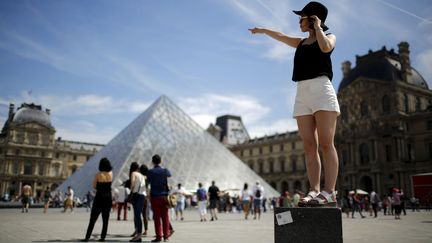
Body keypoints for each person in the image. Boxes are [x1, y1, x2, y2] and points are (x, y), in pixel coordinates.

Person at [249, 1, 339, 207]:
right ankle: (315, 190)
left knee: (326, 143)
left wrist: (318, 29)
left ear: (314, 19)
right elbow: (281, 36)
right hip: (302, 93)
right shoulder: (300, 43)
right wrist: (263, 30)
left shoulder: (329, 37)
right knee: (309, 145)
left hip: (322, 89)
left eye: (302, 18)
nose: (299, 21)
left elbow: (325, 48)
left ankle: (329, 191)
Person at [82, 158, 113, 242]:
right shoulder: (111, 174)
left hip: (99, 197)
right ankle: (103, 237)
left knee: (93, 218)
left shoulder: (98, 175)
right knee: (105, 219)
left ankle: (87, 237)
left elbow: (94, 186)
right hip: (108, 198)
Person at [147, 155, 172, 242]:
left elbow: (148, 181)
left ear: (153, 162)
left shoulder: (150, 171)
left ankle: (158, 237)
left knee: (157, 218)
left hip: (154, 196)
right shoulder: (164, 170)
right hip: (164, 196)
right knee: (165, 217)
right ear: (160, 161)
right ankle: (166, 237)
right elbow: (170, 175)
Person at [129, 162, 147, 242]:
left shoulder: (133, 173)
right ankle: (138, 235)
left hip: (137, 196)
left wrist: (131, 191)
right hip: (142, 196)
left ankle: (139, 236)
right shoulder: (142, 175)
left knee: (137, 216)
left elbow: (132, 184)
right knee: (138, 215)